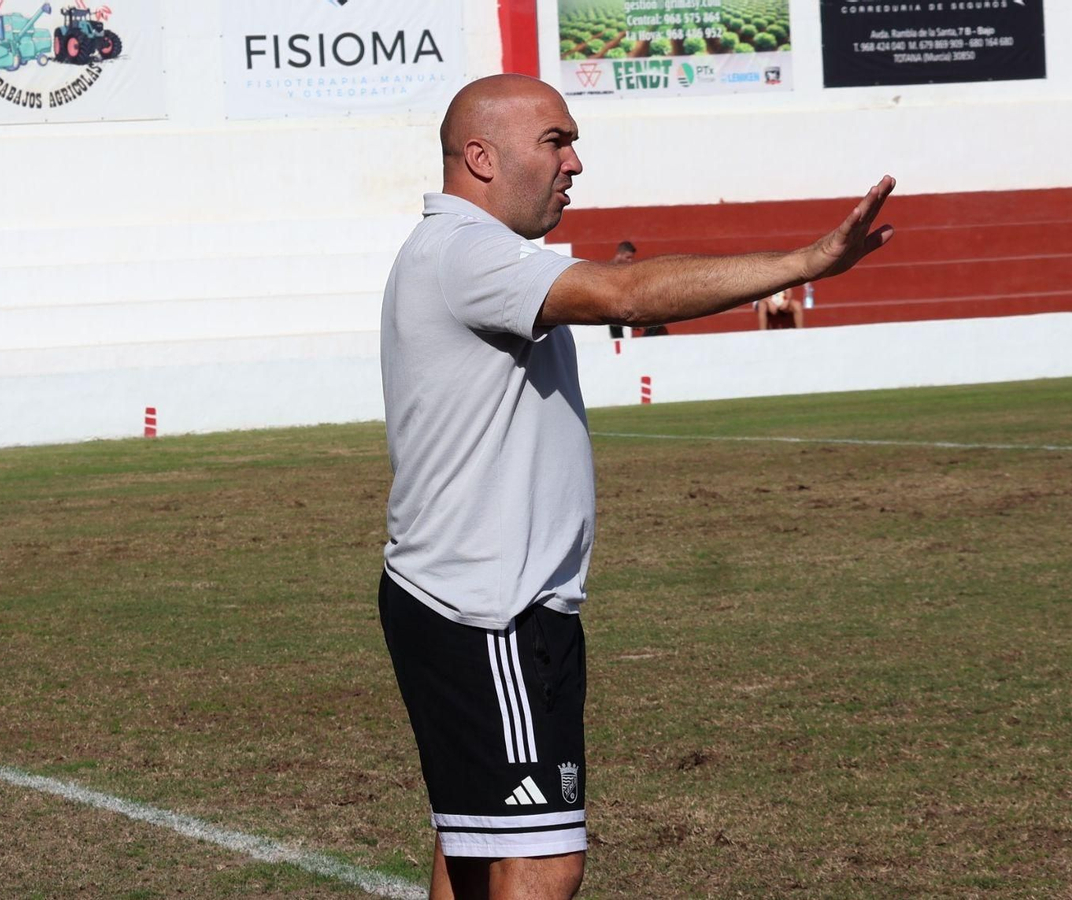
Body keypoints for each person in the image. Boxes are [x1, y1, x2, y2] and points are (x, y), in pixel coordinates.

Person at [379, 73, 893, 900]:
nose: (574, 163)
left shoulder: (461, 253)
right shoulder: (466, 253)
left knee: (477, 845)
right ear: (480, 155)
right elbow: (622, 293)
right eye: (556, 141)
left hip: (475, 600)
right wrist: (808, 262)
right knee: (543, 859)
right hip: (486, 608)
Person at [607, 241, 636, 339]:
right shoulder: (606, 270)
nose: (630, 261)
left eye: (631, 258)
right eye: (628, 257)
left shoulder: (627, 271)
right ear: (619, 255)